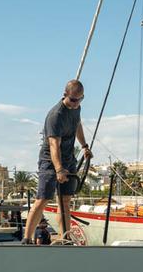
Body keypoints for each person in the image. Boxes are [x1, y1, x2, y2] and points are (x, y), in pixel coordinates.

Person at [23, 79, 92, 245]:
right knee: (43, 199)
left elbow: (77, 125)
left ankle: (65, 238)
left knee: (65, 200)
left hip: (68, 159)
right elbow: (54, 145)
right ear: (65, 95)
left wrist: (84, 146)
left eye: (81, 99)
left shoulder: (77, 108)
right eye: (74, 100)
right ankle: (27, 238)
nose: (77, 103)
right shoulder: (56, 115)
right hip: (50, 161)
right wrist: (59, 169)